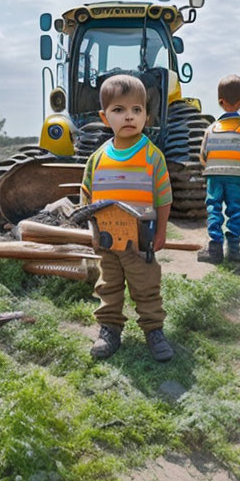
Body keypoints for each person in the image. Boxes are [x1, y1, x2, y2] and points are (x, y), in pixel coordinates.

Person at [80, 74, 174, 362]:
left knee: (146, 286)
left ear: (147, 114)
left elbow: (164, 198)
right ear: (104, 116)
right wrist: (93, 233)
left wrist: (160, 232)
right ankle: (109, 329)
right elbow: (86, 198)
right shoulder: (97, 158)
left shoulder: (152, 156)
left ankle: (153, 330)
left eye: (137, 110)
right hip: (108, 240)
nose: (129, 117)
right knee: (108, 286)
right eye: (119, 110)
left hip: (140, 239)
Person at [197, 74, 240, 264]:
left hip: (215, 177)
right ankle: (234, 250)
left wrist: (211, 169)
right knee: (235, 210)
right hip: (237, 177)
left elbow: (203, 156)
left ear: (220, 102)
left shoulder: (210, 130)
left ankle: (214, 249)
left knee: (214, 209)